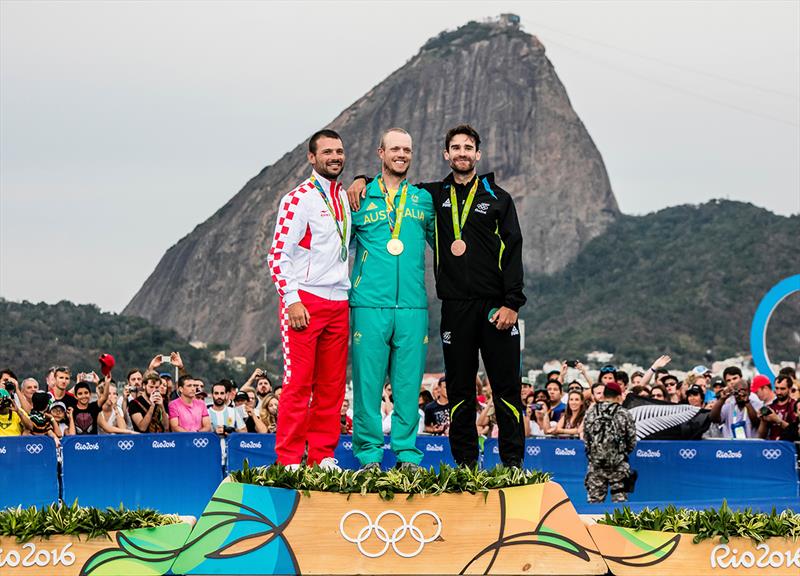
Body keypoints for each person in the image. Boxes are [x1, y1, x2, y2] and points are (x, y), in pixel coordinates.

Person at [349, 125, 525, 467]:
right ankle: (464, 467)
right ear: (446, 154)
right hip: (446, 308)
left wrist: (512, 301)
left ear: (478, 153)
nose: (462, 152)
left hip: (489, 307)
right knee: (458, 391)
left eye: (468, 147)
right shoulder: (428, 195)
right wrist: (360, 179)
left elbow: (513, 250)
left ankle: (513, 466)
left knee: (506, 390)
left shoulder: (491, 198)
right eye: (455, 147)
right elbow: (383, 191)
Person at [349, 128, 434, 471]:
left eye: (407, 150)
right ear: (380, 152)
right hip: (369, 303)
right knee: (367, 386)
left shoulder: (423, 199)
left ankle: (406, 454)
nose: (402, 154)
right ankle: (369, 455)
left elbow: (444, 247)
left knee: (408, 386)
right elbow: (337, 247)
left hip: (413, 306)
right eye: (395, 148)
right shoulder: (358, 196)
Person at [267, 129, 351, 471]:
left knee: (332, 388)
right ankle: (288, 459)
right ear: (312, 158)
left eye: (340, 151)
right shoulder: (298, 198)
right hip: (305, 301)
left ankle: (322, 456)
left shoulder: (344, 197)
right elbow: (276, 255)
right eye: (327, 152)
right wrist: (292, 299)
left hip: (339, 302)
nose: (335, 157)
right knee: (298, 385)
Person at [583, 382, 637, 503]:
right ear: (618, 396)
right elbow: (632, 441)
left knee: (594, 503)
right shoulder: (624, 413)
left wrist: (594, 455)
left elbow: (586, 439)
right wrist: (621, 454)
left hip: (596, 466)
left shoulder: (591, 413)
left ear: (604, 395)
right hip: (618, 466)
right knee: (620, 505)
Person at [757, 374, 797, 440]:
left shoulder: (795, 406)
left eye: (782, 389)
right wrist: (763, 421)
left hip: (789, 447)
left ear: (790, 389)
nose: (779, 392)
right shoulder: (770, 407)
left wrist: (777, 420)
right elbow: (761, 436)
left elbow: (795, 432)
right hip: (773, 447)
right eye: (776, 388)